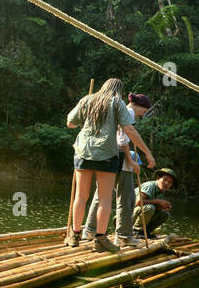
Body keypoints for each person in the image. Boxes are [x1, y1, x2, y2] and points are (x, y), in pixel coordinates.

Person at [66, 79, 155, 252]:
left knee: (81, 196)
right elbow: (129, 129)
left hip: (84, 150)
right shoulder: (116, 102)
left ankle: (75, 235)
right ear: (118, 91)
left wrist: (87, 121)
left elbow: (70, 123)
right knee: (105, 198)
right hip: (106, 153)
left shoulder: (87, 99)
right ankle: (100, 239)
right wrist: (147, 152)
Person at [86, 93, 152, 247]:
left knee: (102, 194)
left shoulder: (115, 110)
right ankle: (123, 236)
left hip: (106, 155)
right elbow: (122, 141)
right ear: (139, 106)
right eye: (144, 110)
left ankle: (89, 230)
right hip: (119, 157)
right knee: (126, 197)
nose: (143, 114)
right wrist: (132, 161)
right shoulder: (128, 112)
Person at [135, 168, 178, 238]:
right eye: (165, 179)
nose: (166, 183)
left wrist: (163, 207)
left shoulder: (161, 190)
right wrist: (158, 201)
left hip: (138, 213)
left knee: (165, 214)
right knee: (150, 208)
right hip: (127, 217)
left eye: (170, 182)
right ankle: (136, 230)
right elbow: (138, 202)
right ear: (158, 178)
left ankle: (146, 232)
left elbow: (154, 207)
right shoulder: (150, 186)